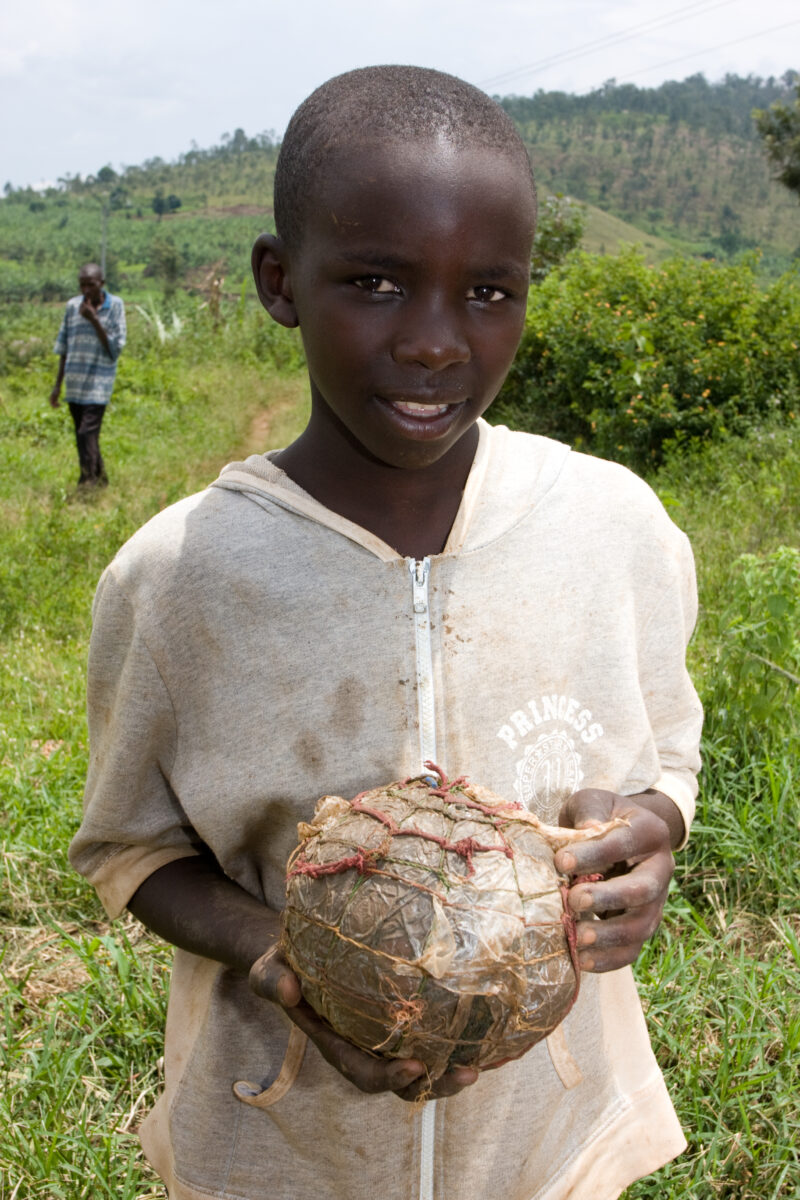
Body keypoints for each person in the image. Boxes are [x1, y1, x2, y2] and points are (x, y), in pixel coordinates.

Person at [69, 66, 703, 1200]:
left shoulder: (612, 529)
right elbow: (133, 850)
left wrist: (645, 835)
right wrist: (282, 951)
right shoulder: (175, 580)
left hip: (542, 1144)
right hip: (278, 1151)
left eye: (488, 293)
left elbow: (664, 758)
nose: (431, 342)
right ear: (279, 282)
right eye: (373, 282)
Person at [50, 262, 126, 486]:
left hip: (99, 385)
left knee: (86, 433)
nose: (86, 290)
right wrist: (57, 386)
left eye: (91, 285)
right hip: (74, 384)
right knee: (83, 436)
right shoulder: (72, 307)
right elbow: (63, 347)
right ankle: (101, 480)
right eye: (82, 285)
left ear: (101, 284)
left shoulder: (115, 306)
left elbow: (114, 349)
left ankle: (87, 483)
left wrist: (94, 319)